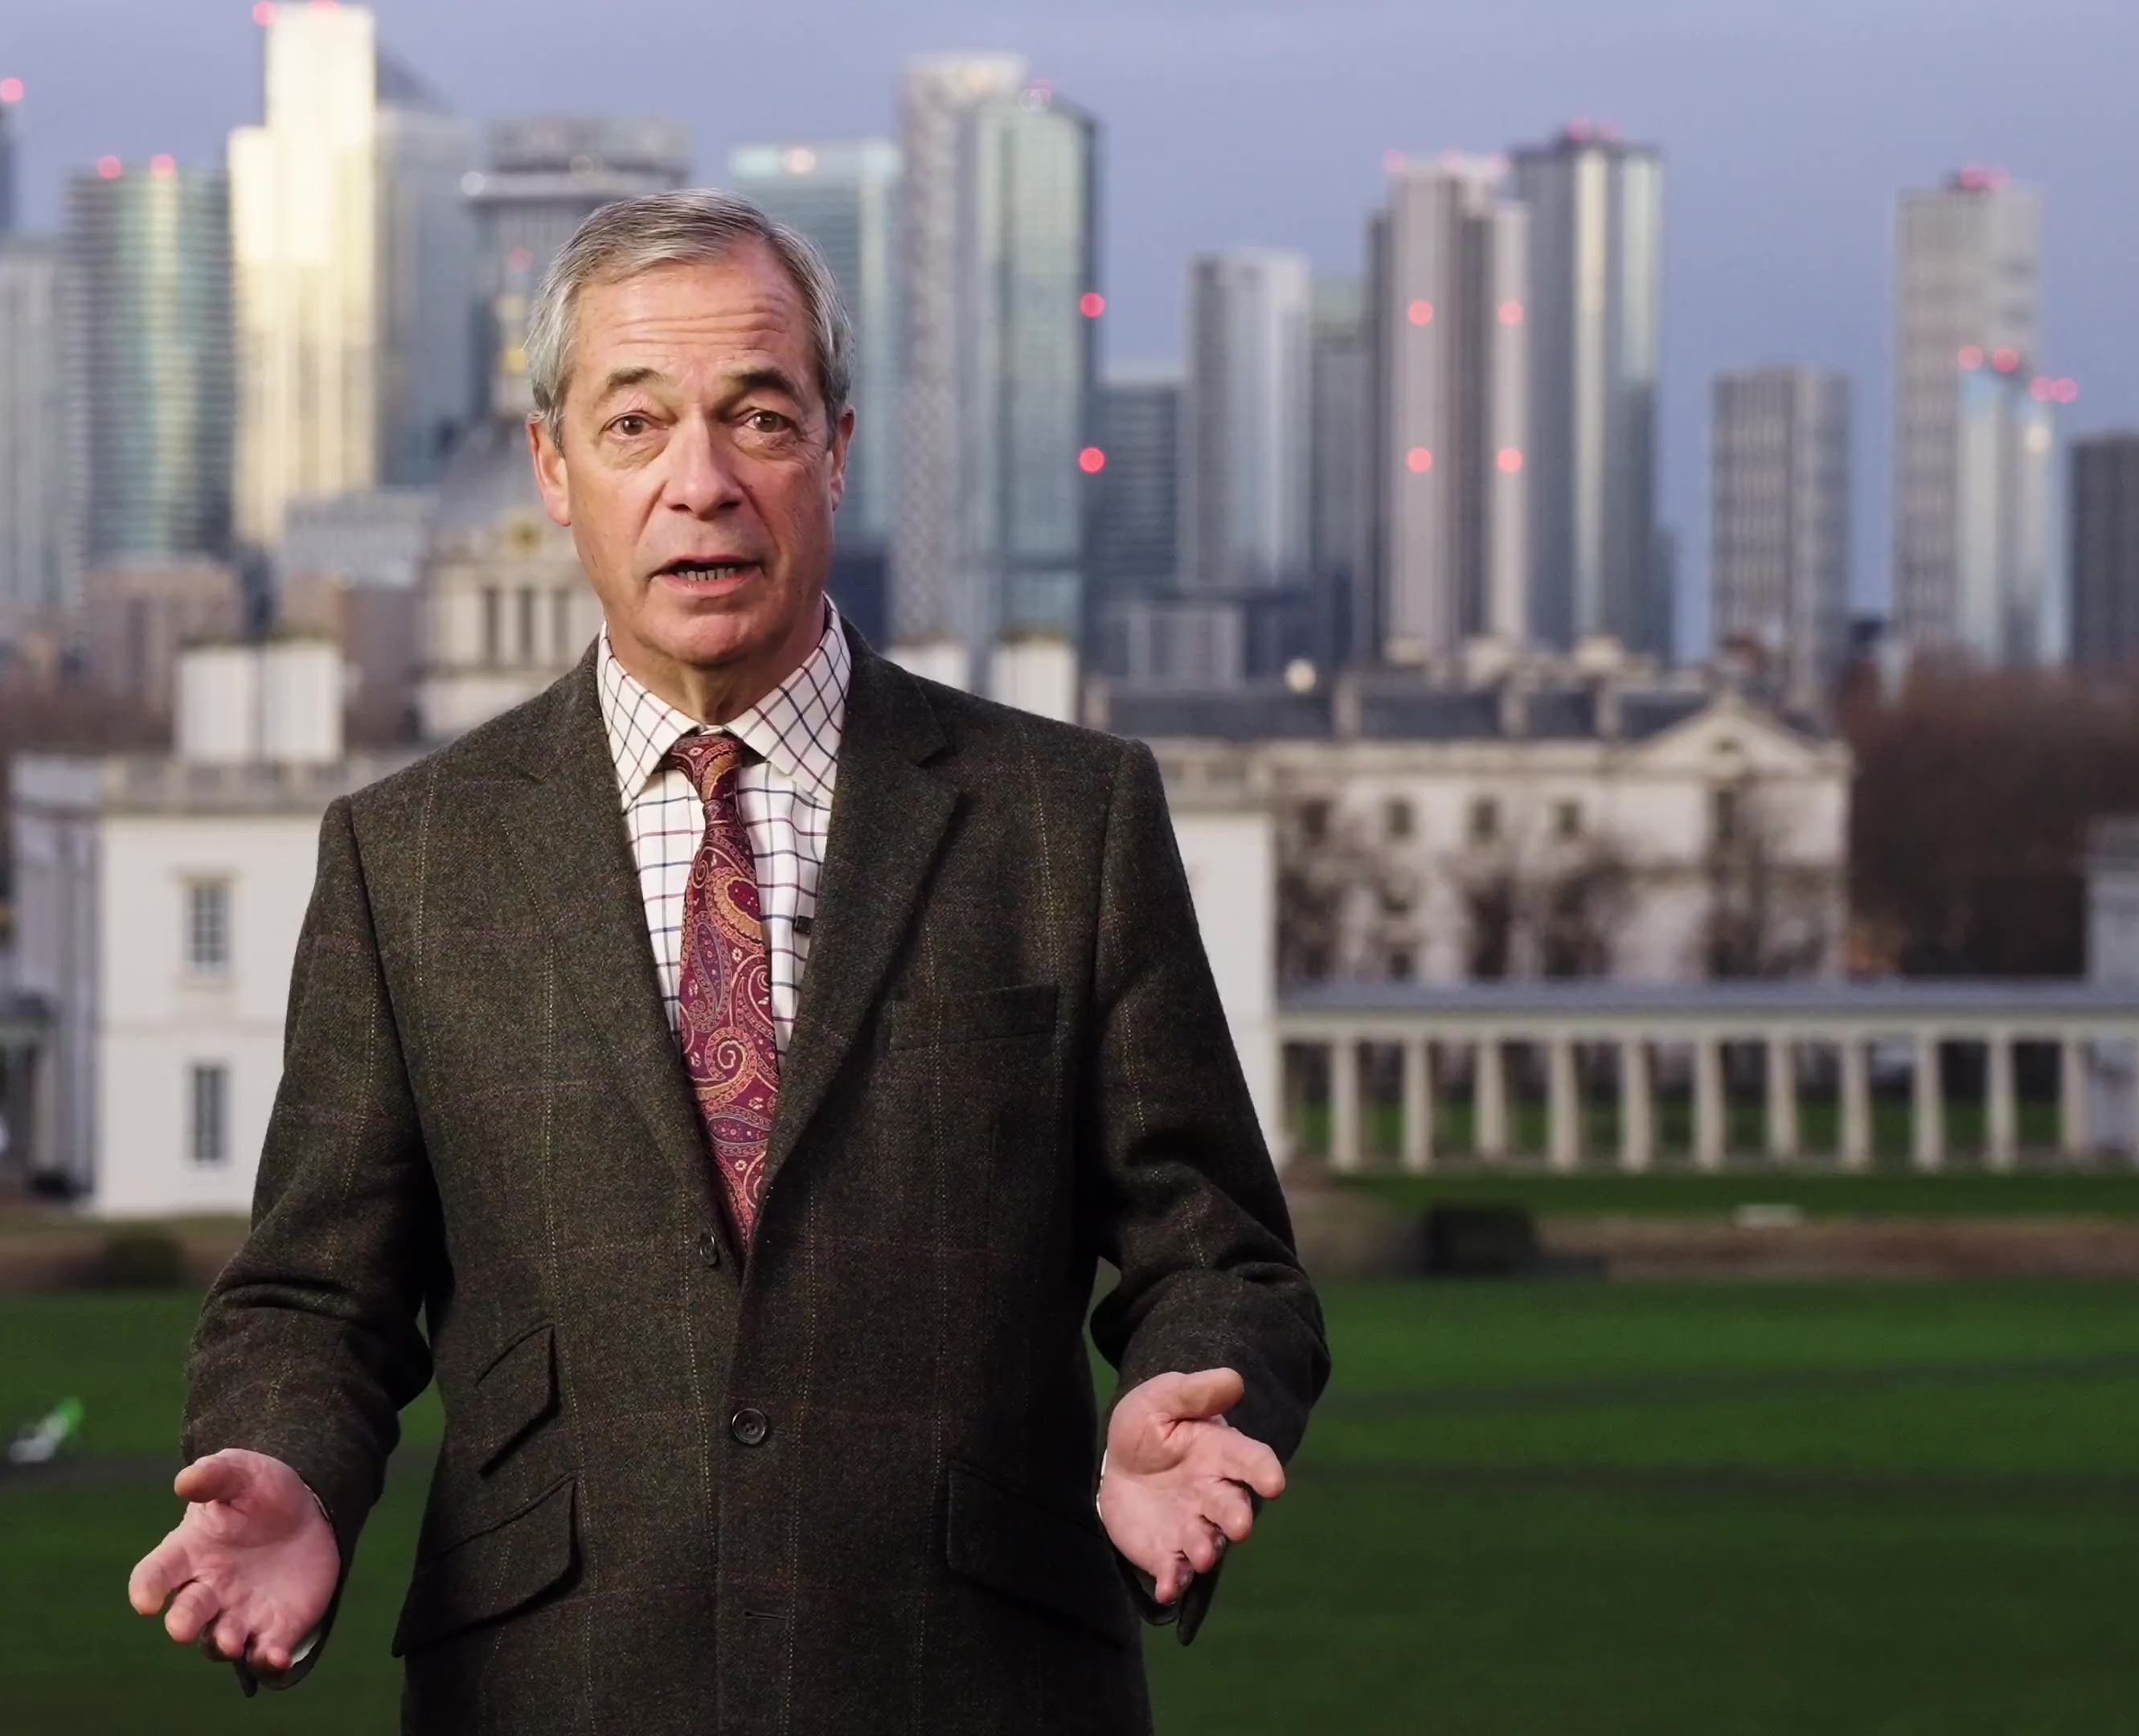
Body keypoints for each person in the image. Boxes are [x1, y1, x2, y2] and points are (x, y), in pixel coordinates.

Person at [125, 189, 1327, 1733]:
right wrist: (285, 1463)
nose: (700, 483)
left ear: (836, 446)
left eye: (756, 418)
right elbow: (314, 1294)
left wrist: (1193, 1388)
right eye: (635, 427)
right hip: (553, 1688)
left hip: (977, 1681)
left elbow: (1220, 1250)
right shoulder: (406, 855)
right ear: (556, 469)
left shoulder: (1065, 816)